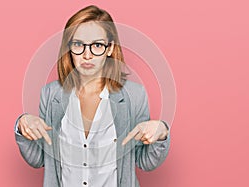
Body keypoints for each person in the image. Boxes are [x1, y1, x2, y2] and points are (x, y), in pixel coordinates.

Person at [15, 5, 170, 187]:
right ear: (69, 48)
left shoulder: (135, 95)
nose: (87, 55)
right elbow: (38, 159)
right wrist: (22, 126)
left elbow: (145, 161)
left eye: (97, 45)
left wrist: (161, 132)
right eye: (78, 44)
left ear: (110, 48)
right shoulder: (50, 94)